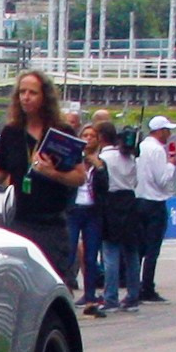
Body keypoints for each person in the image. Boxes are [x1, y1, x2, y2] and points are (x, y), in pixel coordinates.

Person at [0, 70, 86, 278]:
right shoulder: (11, 132)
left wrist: (52, 173)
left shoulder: (61, 132)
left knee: (53, 280)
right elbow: (2, 170)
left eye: (32, 93)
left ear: (44, 97)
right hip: (19, 220)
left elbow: (80, 177)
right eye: (22, 92)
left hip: (51, 222)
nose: (26, 97)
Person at [91, 121, 142, 313]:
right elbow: (135, 181)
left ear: (101, 137)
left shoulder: (103, 158)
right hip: (130, 200)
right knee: (131, 252)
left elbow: (99, 183)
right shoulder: (129, 156)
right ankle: (133, 296)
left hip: (111, 202)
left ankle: (110, 297)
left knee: (110, 253)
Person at [133, 115, 176, 302]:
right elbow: (162, 179)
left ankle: (134, 285)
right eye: (167, 130)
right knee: (152, 249)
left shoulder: (140, 146)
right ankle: (147, 287)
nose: (169, 134)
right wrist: (171, 165)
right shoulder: (158, 150)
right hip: (154, 202)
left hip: (138, 200)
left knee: (138, 249)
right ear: (160, 131)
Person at [67, 127, 106, 312]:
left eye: (92, 136)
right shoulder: (73, 159)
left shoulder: (101, 163)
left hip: (93, 212)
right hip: (74, 209)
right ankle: (66, 292)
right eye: (85, 135)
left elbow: (106, 187)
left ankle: (90, 297)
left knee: (91, 257)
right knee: (69, 251)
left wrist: (98, 166)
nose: (89, 139)